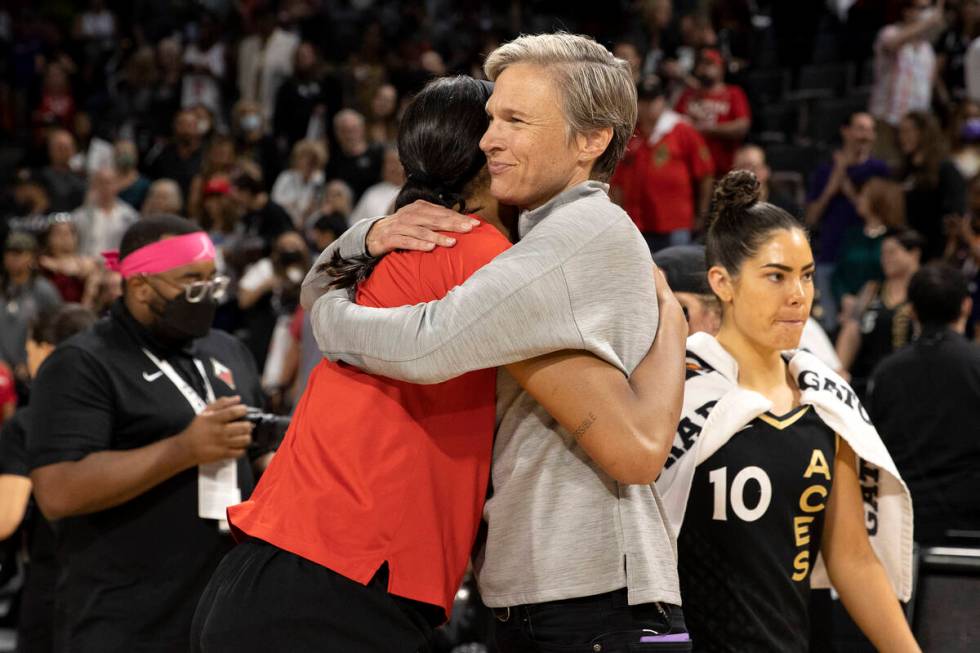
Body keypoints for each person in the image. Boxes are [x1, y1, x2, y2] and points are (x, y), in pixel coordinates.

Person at [303, 33, 690, 651]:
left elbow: (428, 345)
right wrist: (369, 236)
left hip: (588, 597)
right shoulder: (550, 235)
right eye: (491, 119)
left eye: (515, 120)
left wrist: (328, 317)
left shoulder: (575, 235)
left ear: (591, 141)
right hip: (556, 588)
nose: (487, 141)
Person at [656, 170, 918, 652]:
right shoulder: (674, 391)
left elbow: (852, 558)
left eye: (807, 275)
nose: (798, 295)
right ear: (723, 283)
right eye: (776, 276)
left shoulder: (825, 400)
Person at [27, 215, 273, 652]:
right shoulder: (82, 363)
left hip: (223, 612)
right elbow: (57, 490)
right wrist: (184, 449)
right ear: (141, 286)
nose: (208, 293)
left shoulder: (229, 349)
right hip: (125, 619)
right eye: (191, 280)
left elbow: (256, 457)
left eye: (212, 280)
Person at [0, 304, 97, 653]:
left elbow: (4, 519)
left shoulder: (29, 423)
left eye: (30, 350)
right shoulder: (121, 412)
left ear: (48, 351)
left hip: (54, 584)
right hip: (118, 585)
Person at [868, 264, 980, 544]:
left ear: (912, 311)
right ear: (966, 306)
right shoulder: (976, 365)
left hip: (903, 524)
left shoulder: (885, 372)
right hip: (970, 520)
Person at [653, 243, 843, 373]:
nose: (662, 323)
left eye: (681, 309)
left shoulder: (789, 327)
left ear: (719, 312)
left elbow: (838, 386)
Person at [805, 112, 891, 329]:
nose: (867, 135)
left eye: (871, 130)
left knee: (862, 325)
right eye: (861, 128)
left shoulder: (879, 170)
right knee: (831, 326)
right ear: (846, 131)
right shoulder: (825, 171)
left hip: (865, 258)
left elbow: (880, 213)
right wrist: (834, 184)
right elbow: (811, 218)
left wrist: (847, 186)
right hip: (831, 255)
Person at [610, 74, 714, 252]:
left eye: (654, 100)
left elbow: (705, 174)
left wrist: (702, 214)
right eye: (643, 100)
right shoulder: (628, 134)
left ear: (663, 101)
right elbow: (617, 181)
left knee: (674, 274)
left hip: (676, 223)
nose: (648, 106)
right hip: (636, 223)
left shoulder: (682, 130)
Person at [836, 229, 923, 398]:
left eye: (892, 252)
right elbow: (852, 329)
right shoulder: (872, 289)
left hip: (910, 380)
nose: (886, 258)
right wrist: (840, 369)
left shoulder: (923, 291)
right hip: (869, 378)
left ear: (914, 254)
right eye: (883, 253)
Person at [869, 0, 945, 167]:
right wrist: (929, 22)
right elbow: (892, 43)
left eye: (927, 9)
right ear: (907, 11)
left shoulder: (927, 49)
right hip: (888, 120)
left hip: (915, 125)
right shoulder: (889, 32)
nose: (926, 14)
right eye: (921, 8)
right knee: (884, 167)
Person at [896, 110, 967, 260]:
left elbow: (957, 212)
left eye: (908, 131)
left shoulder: (945, 168)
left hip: (936, 250)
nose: (902, 137)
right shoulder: (904, 171)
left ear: (924, 132)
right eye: (900, 131)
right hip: (909, 249)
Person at [0, 233, 63, 390]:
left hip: (32, 373)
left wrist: (30, 360)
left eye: (20, 253)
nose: (14, 258)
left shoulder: (44, 291)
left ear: (33, 257)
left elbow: (56, 330)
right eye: (10, 252)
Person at [832, 177, 907, 307]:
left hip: (883, 306)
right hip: (848, 309)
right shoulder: (852, 234)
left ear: (879, 200)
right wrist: (844, 297)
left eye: (864, 196)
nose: (859, 199)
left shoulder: (894, 238)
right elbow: (838, 273)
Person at [674, 47, 750, 175]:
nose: (704, 67)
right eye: (701, 63)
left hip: (723, 167)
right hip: (690, 169)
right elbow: (674, 125)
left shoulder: (733, 93)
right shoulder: (687, 95)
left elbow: (742, 126)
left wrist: (706, 129)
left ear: (721, 68)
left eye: (710, 63)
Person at [72, 166, 139, 257]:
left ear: (117, 184)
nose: (105, 187)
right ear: (93, 185)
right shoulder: (79, 216)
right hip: (87, 266)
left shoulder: (129, 216)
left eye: (108, 183)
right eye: (100, 182)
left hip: (117, 267)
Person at [38, 216, 100, 305]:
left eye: (69, 233)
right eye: (58, 233)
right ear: (49, 238)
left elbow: (91, 294)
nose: (64, 238)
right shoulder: (42, 263)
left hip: (78, 312)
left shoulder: (86, 263)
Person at [325, 109, 384, 201]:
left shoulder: (378, 155)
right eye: (344, 130)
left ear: (362, 129)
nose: (350, 135)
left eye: (354, 129)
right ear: (337, 133)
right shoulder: (333, 160)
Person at [146, 109, 205, 202]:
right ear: (174, 126)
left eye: (190, 125)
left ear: (198, 128)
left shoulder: (206, 155)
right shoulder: (163, 154)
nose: (186, 130)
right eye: (182, 124)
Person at [731, 144, 800, 218]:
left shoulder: (786, 210)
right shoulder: (725, 209)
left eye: (753, 168)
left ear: (766, 171)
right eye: (740, 169)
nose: (746, 175)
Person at [271, 139, 327, 227]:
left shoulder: (319, 181)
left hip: (308, 226)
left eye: (312, 160)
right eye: (304, 158)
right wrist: (291, 206)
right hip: (283, 222)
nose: (307, 163)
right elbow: (275, 201)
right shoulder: (286, 177)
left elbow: (318, 208)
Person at [348, 144, 404, 227]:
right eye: (388, 163)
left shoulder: (415, 191)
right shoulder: (372, 193)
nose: (392, 168)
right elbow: (353, 225)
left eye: (395, 162)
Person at [37, 129, 86, 213]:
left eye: (68, 147)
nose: (65, 151)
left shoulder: (82, 175)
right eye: (60, 147)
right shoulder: (41, 177)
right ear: (50, 150)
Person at [114, 139, 151, 210]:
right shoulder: (106, 182)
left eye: (127, 153)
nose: (124, 157)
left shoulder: (144, 185)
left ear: (136, 155)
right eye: (120, 153)